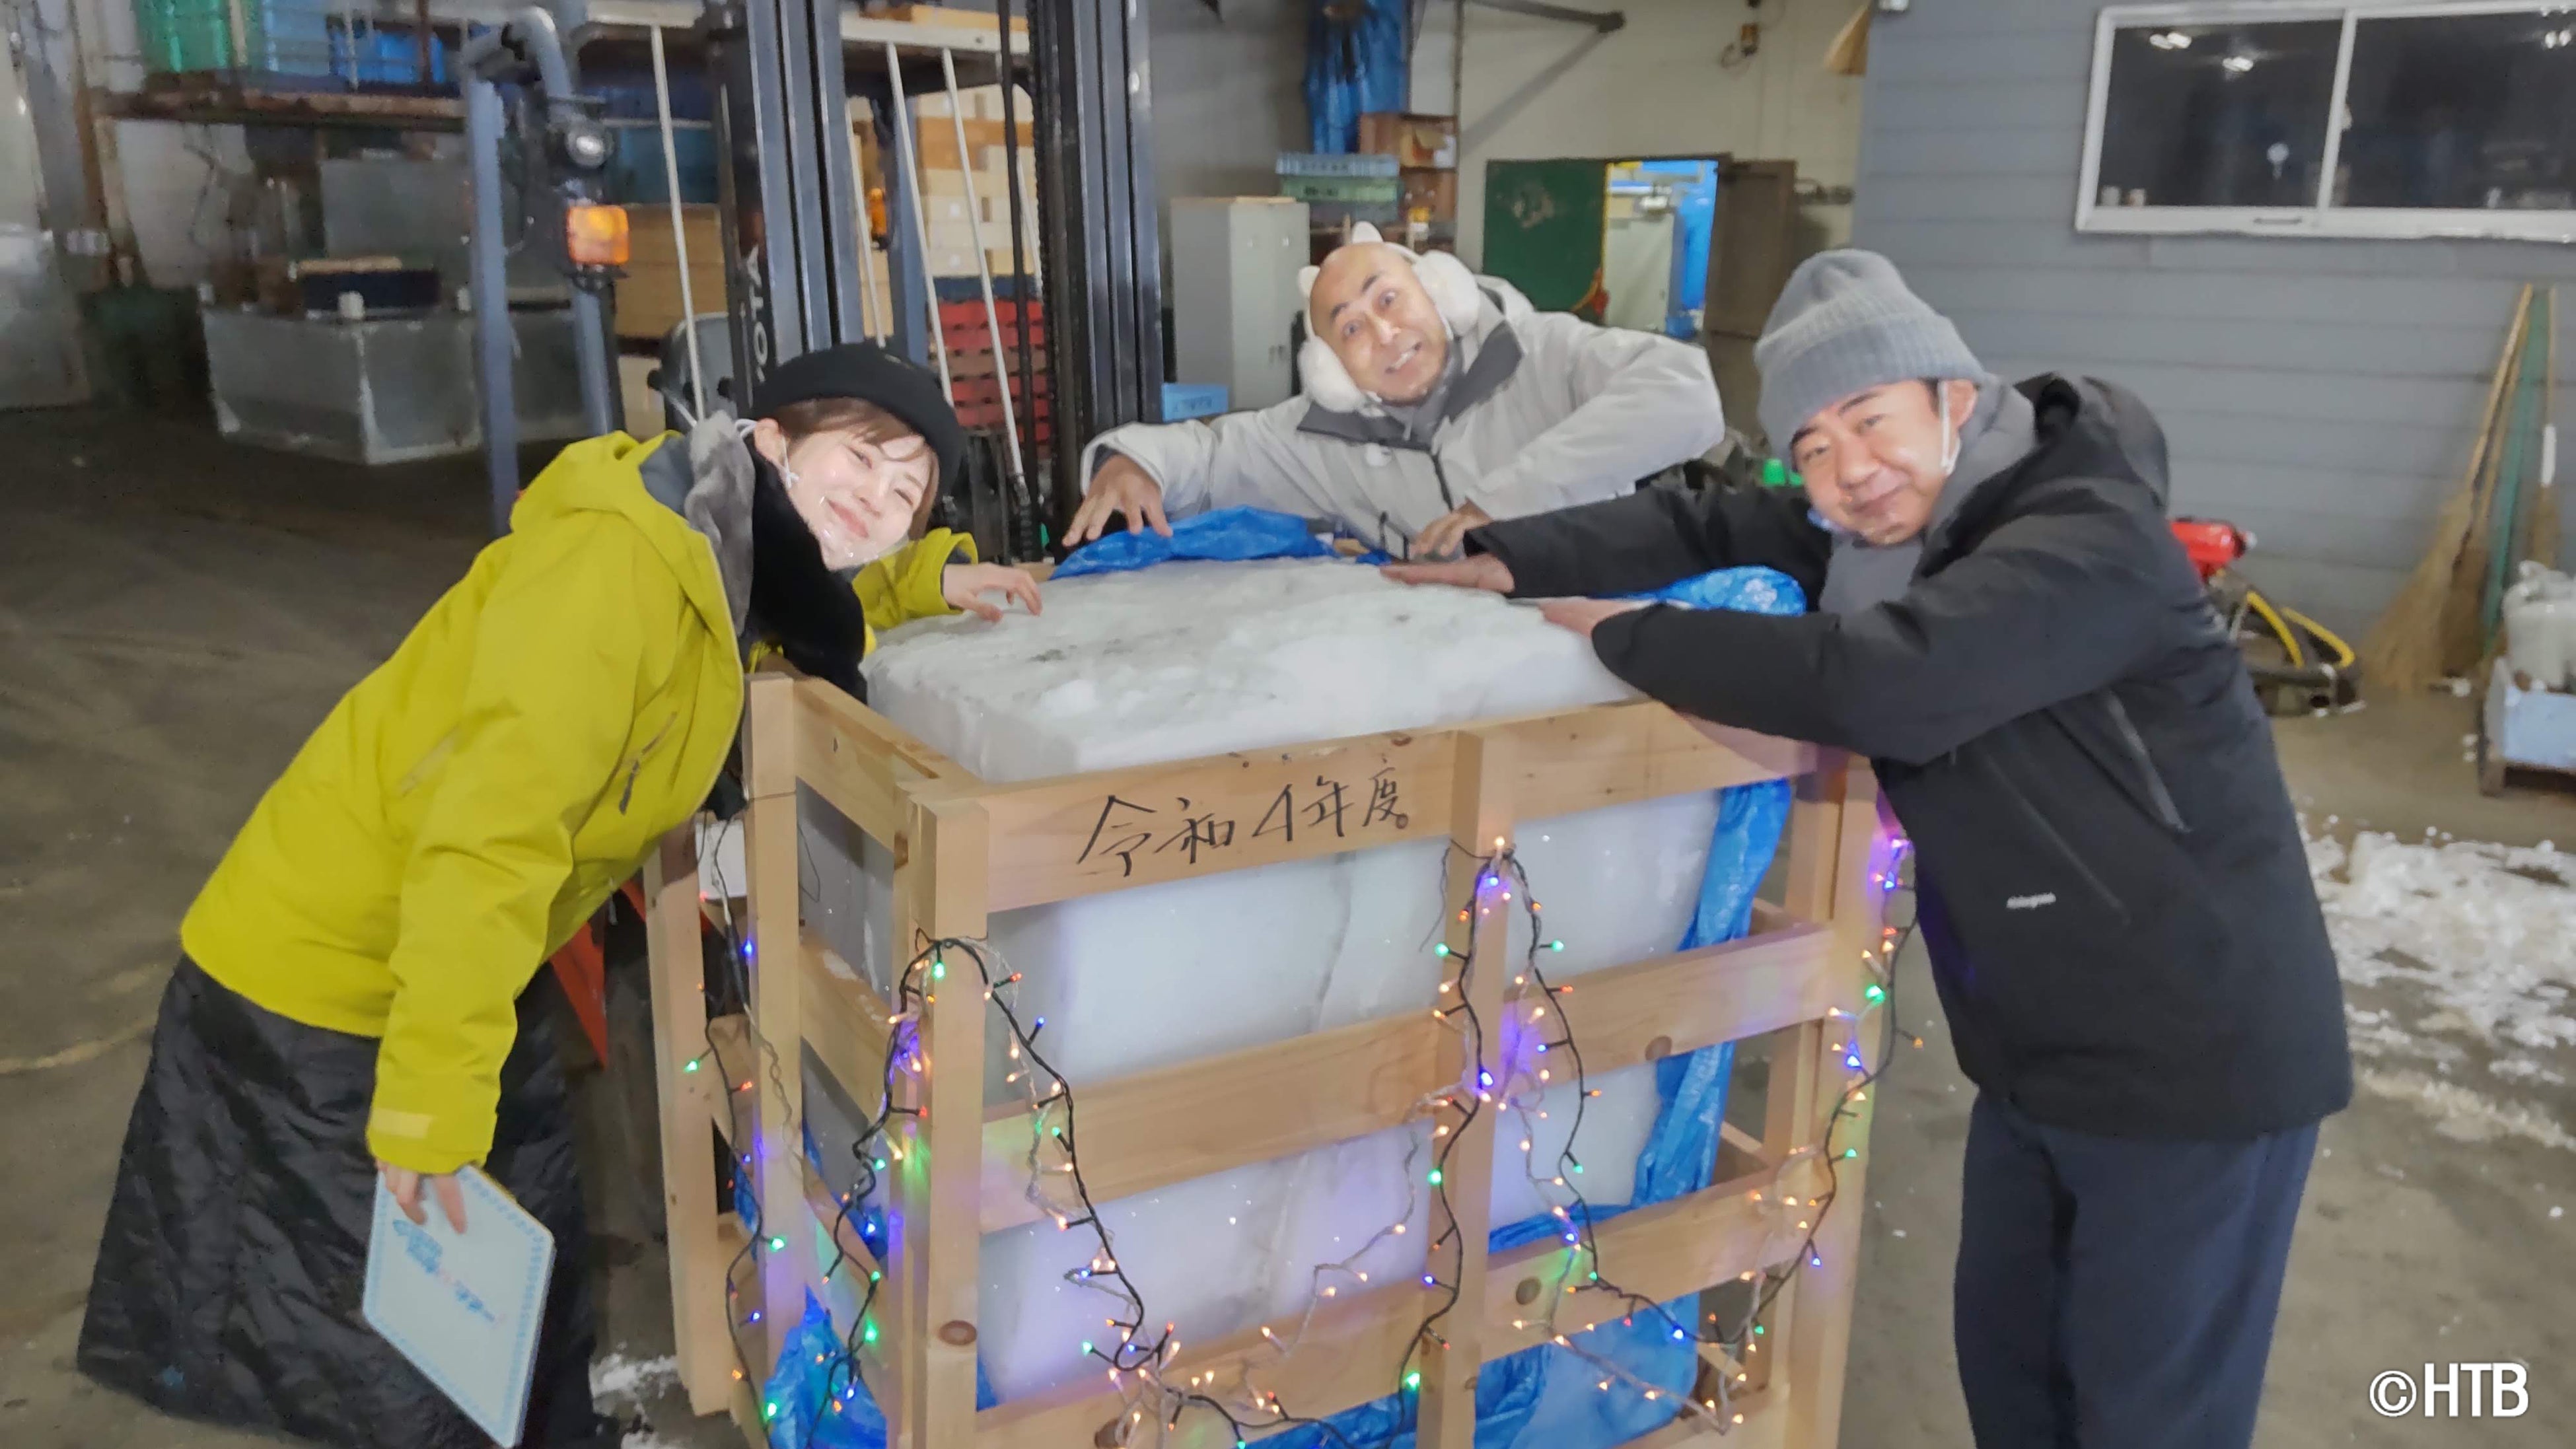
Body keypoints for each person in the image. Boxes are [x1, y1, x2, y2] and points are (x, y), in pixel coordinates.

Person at [1389, 250, 2349, 1449]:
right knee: (2015, 1378)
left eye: (1872, 421)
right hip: (2041, 1054)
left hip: (2198, 1056)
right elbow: (1712, 516)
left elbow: (1894, 681)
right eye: (1817, 446)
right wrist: (1517, 552)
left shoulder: (2087, 538)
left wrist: (1632, 635)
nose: (1853, 471)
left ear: (1953, 395)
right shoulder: (1897, 528)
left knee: (2149, 1411)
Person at [77, 343, 1038, 1449]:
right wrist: (430, 1105)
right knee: (407, 1346)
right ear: (771, 437)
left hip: (481, 961)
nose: (880, 500)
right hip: (341, 982)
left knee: (532, 1251)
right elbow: (486, 841)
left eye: (909, 492)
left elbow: (816, 585)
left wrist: (933, 579)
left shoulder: (724, 547)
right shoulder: (615, 571)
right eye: (863, 458)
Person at [1066, 223, 1727, 559]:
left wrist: (1503, 501)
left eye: (1390, 299)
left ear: (1441, 294)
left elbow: (1684, 392)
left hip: (1588, 653)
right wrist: (1133, 463)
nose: (1384, 332)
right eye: (1351, 326)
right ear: (1329, 365)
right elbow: (1212, 455)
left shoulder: (1542, 353)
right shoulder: (1327, 434)